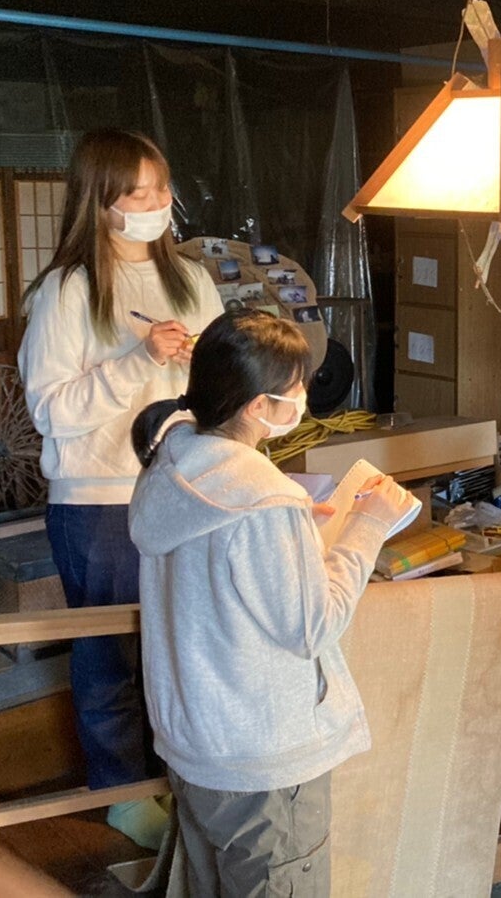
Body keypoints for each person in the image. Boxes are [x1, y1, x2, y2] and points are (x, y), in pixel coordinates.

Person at [129, 310, 421, 897]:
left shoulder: (174, 463)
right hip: (262, 758)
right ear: (258, 405)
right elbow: (312, 627)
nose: (305, 396)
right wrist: (367, 526)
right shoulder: (265, 497)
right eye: (297, 387)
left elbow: (218, 561)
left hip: (196, 749)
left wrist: (295, 528)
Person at [18, 128, 224, 848]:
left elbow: (219, 386)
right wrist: (139, 360)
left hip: (186, 487)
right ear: (99, 200)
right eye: (136, 192)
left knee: (182, 645)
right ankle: (120, 793)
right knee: (109, 653)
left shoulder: (192, 279)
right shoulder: (68, 290)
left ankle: (179, 778)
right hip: (99, 497)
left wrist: (213, 368)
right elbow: (51, 412)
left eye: (161, 188)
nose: (155, 203)